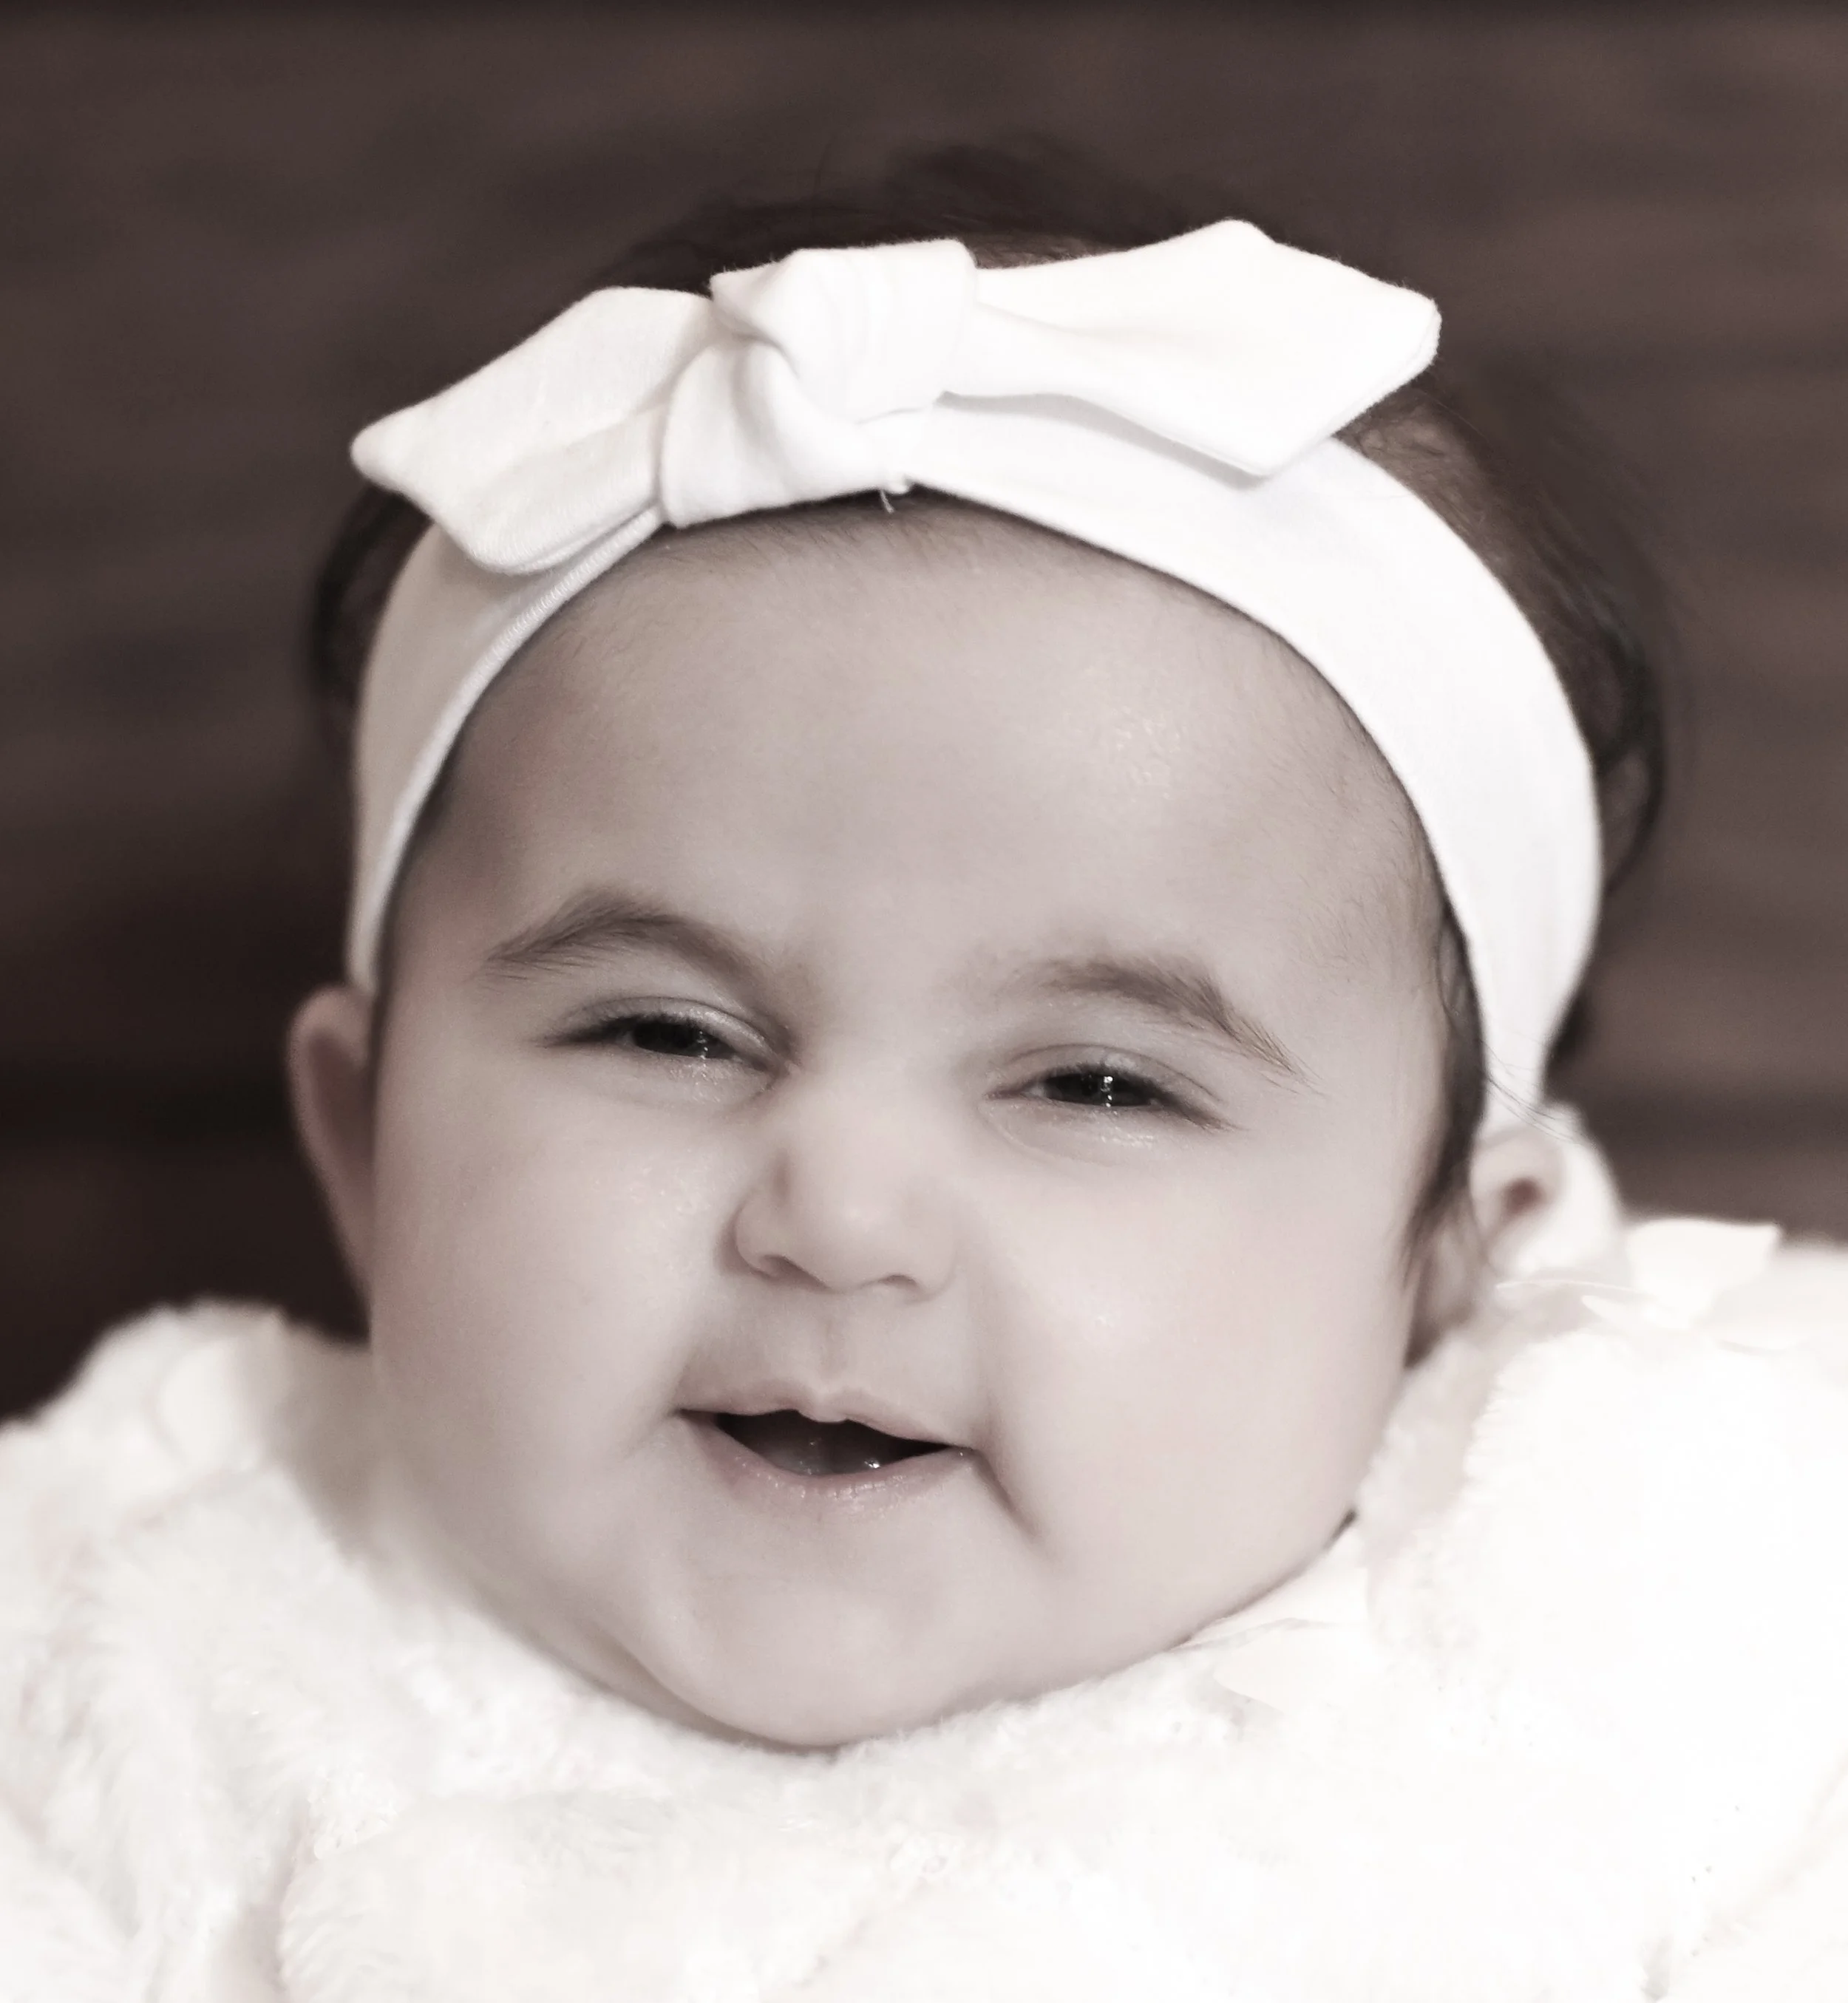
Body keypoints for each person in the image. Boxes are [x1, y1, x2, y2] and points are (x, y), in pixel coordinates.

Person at [6, 146, 1848, 2002]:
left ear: (1449, 1251)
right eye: (664, 1030)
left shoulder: (1676, 1666)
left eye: (1094, 1084)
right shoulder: (111, 1659)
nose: (839, 1212)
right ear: (362, 1139)